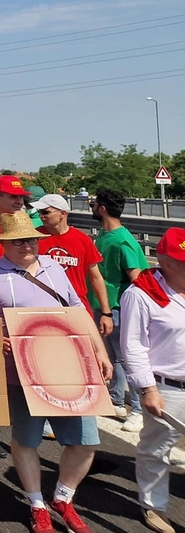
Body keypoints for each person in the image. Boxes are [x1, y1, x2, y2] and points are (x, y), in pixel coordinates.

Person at [0, 211, 113, 533]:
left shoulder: (54, 268)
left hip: (68, 365)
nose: (28, 245)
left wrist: (100, 352)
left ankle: (63, 497)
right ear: (5, 243)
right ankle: (37, 503)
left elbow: (77, 309)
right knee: (26, 440)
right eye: (20, 240)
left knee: (85, 441)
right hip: (21, 373)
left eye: (33, 239)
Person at [119, 227, 185, 533]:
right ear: (166, 262)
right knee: (157, 450)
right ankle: (153, 506)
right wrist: (147, 388)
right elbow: (133, 345)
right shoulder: (142, 294)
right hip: (168, 386)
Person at [92, 188, 150, 433]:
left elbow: (137, 278)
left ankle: (138, 410)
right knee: (112, 357)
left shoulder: (122, 241)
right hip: (105, 306)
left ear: (103, 209)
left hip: (117, 308)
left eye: (94, 203)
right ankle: (117, 401)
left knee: (128, 359)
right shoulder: (104, 236)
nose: (91, 206)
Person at [34, 193, 113, 330]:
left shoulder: (82, 240)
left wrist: (106, 312)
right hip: (43, 309)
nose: (41, 216)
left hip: (76, 308)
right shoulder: (34, 238)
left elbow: (96, 277)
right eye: (39, 212)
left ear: (62, 214)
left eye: (45, 212)